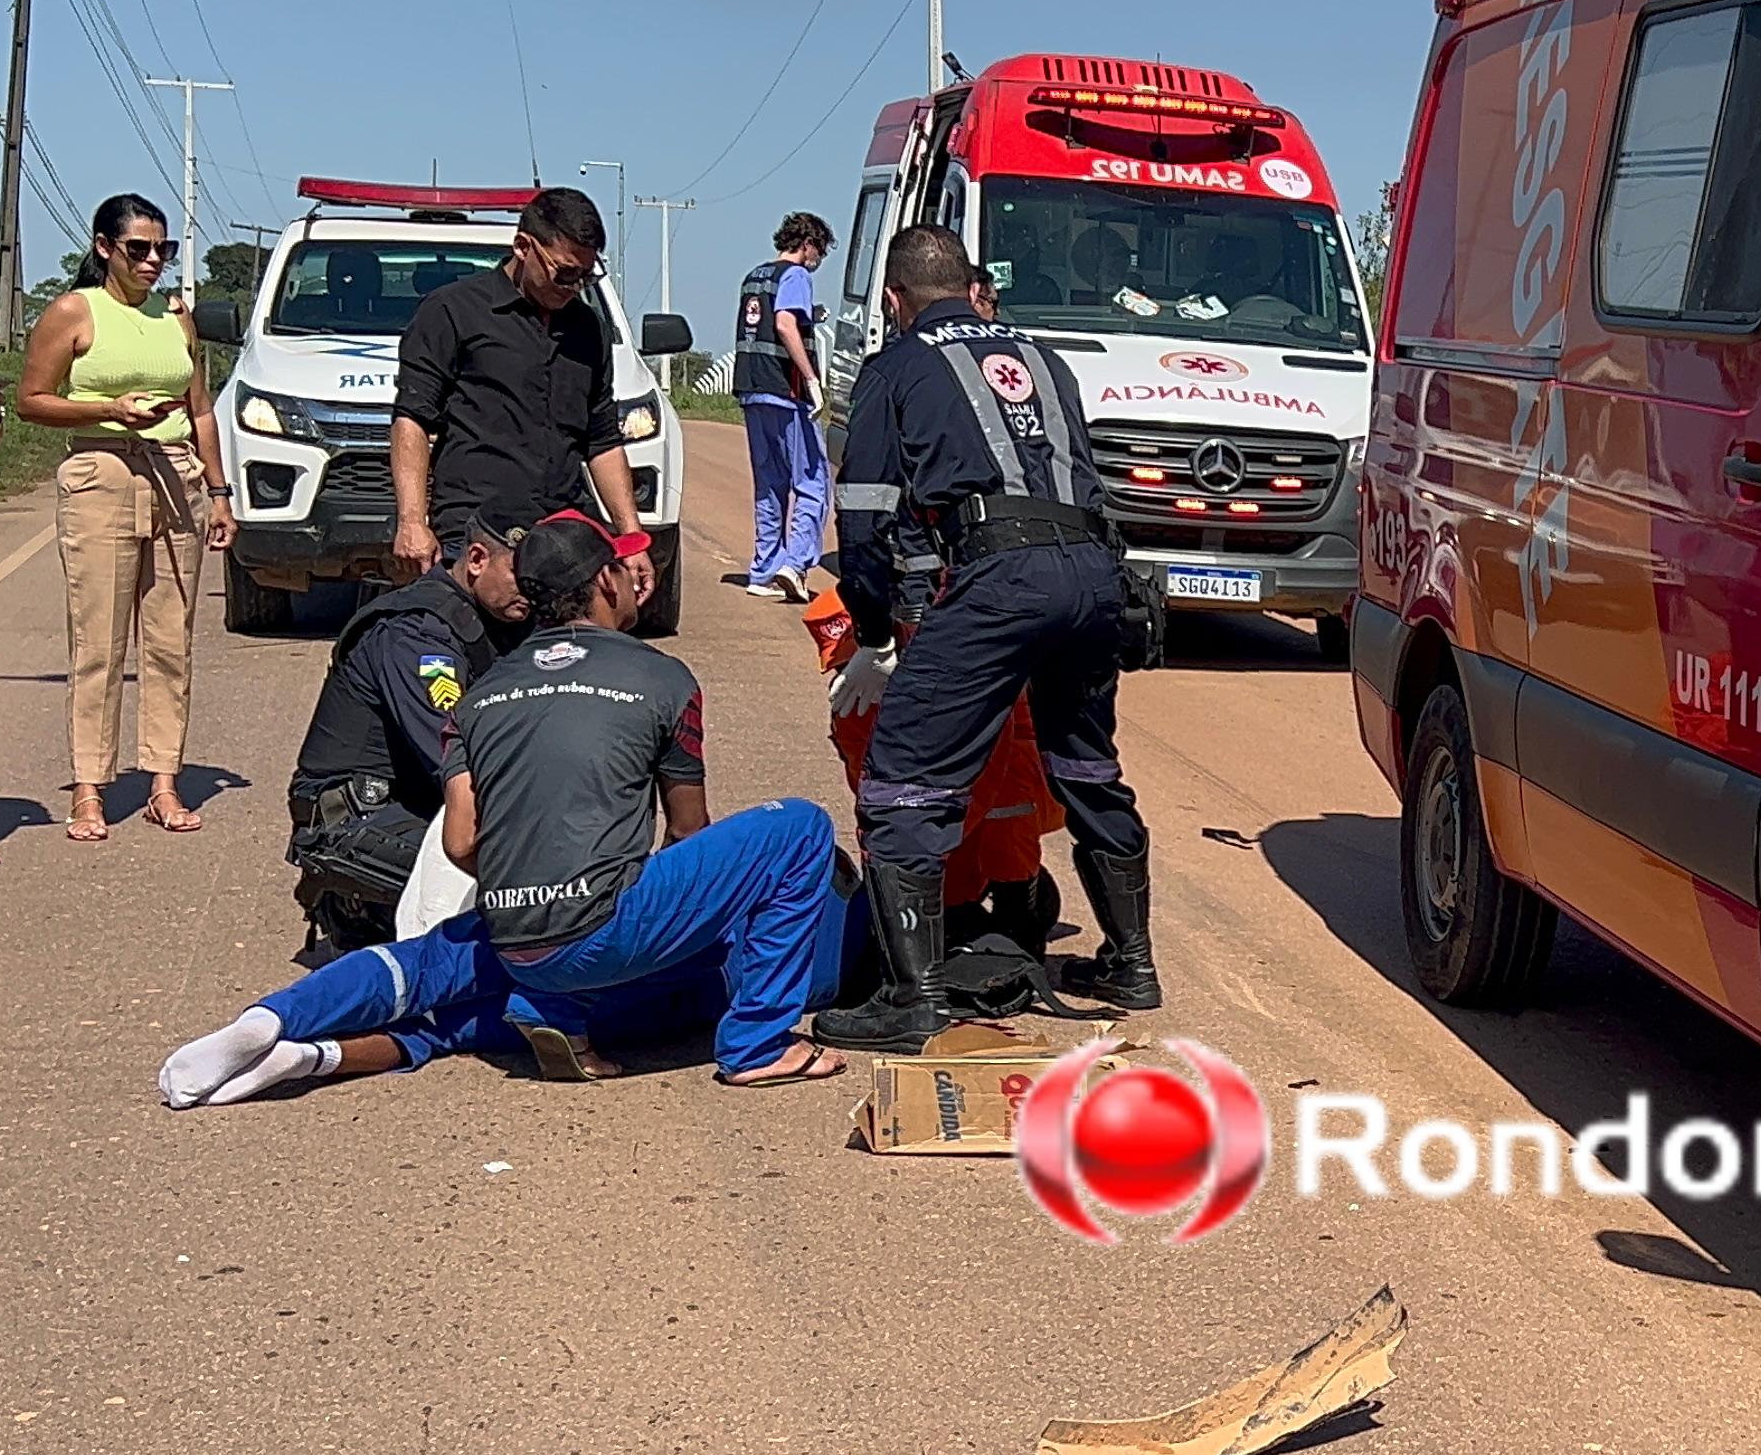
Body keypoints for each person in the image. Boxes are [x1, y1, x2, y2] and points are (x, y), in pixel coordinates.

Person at [163, 515, 852, 1102]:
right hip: (602, 929)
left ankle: (275, 1024)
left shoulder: (483, 695)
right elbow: (688, 830)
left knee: (427, 963)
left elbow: (462, 843)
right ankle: (758, 1044)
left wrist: (540, 880)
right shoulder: (661, 675)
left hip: (519, 932)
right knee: (797, 828)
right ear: (606, 582)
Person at [813, 226, 1156, 1054]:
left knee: (901, 784)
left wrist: (872, 632)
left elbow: (863, 520)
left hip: (1002, 580)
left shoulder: (894, 367)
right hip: (1094, 572)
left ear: (893, 300)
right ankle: (1131, 964)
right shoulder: (1044, 357)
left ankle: (914, 995)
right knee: (1084, 764)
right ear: (971, 289)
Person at [17, 194, 231, 841]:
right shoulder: (74, 311)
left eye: (161, 249)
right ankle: (90, 787)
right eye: (137, 248)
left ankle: (164, 782)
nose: (151, 261)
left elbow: (199, 408)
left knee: (170, 641)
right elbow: (32, 400)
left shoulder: (175, 315)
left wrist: (219, 492)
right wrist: (108, 409)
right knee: (99, 643)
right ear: (105, 247)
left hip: (175, 475)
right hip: (101, 470)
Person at [283, 504, 533, 956]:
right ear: (476, 560)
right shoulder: (416, 632)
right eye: (519, 576)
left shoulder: (498, 620)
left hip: (418, 802)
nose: (531, 592)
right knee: (522, 873)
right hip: (356, 817)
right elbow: (452, 753)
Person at [389, 188, 650, 591]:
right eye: (565, 273)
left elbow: (601, 440)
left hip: (564, 531)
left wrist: (630, 539)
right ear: (523, 246)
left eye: (586, 276)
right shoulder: (452, 312)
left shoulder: (588, 329)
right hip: (480, 531)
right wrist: (411, 522)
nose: (574, 287)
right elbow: (413, 419)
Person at [732, 212, 835, 600]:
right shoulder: (795, 276)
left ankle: (764, 569)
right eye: (819, 251)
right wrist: (811, 380)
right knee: (811, 481)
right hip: (786, 393)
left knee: (770, 483)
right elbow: (786, 325)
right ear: (807, 243)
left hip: (752, 389)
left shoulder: (754, 277)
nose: (818, 260)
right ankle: (795, 565)